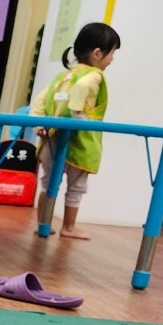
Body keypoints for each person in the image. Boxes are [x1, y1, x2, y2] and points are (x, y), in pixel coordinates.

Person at [31, 22, 121, 241]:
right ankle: (69, 227)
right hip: (79, 142)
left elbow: (41, 100)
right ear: (97, 53)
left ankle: (43, 224)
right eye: (112, 53)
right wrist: (77, 111)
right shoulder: (94, 75)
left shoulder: (64, 76)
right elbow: (81, 91)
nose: (112, 60)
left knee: (48, 182)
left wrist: (39, 124)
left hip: (51, 138)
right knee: (76, 187)